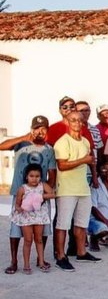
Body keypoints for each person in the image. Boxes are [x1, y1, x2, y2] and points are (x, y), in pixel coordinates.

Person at [1, 115, 56, 275]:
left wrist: (47, 191)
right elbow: (1, 146)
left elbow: (52, 173)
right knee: (16, 229)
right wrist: (24, 137)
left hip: (40, 196)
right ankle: (14, 261)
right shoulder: (21, 144)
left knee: (43, 229)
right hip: (20, 193)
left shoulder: (49, 149)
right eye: (37, 128)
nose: (40, 131)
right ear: (32, 129)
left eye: (43, 128)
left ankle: (41, 259)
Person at [53, 111, 101, 271]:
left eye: (80, 120)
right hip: (66, 189)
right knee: (63, 224)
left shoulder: (86, 142)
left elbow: (91, 161)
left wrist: (93, 174)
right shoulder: (62, 142)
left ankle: (81, 252)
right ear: (67, 122)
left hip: (83, 188)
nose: (77, 123)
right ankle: (60, 256)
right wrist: (83, 160)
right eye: (73, 120)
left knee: (81, 223)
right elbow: (62, 165)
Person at [11, 165, 54, 274]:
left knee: (39, 239)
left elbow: (52, 194)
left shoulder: (42, 185)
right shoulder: (22, 189)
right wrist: (19, 208)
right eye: (31, 176)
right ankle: (26, 265)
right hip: (26, 217)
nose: (34, 179)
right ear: (26, 177)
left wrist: (40, 197)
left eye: (37, 176)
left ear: (40, 177)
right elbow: (17, 204)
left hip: (39, 216)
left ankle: (41, 262)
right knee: (28, 240)